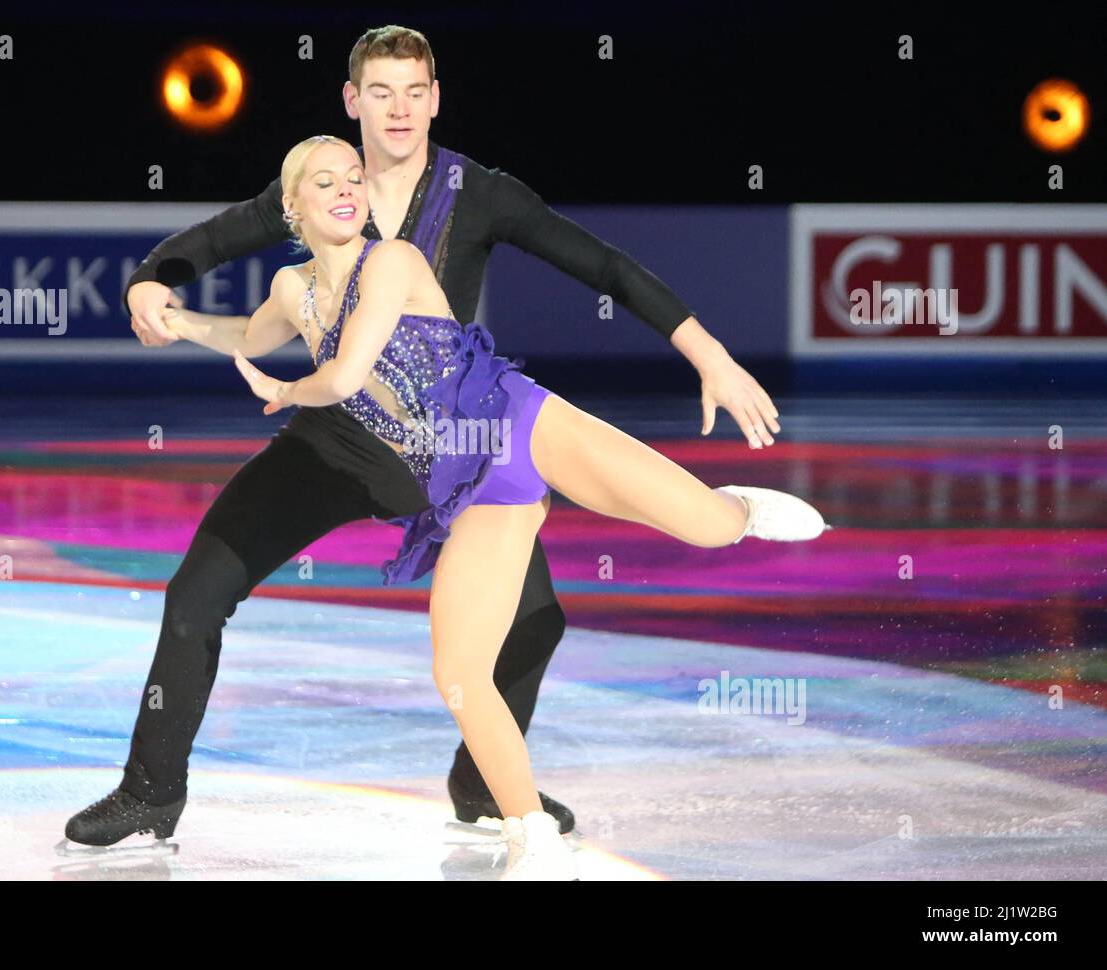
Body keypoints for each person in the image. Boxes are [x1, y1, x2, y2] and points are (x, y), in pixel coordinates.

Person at [64, 25, 783, 853]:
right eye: (381, 92)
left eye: (414, 92)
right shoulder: (319, 181)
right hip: (330, 447)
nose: (399, 110)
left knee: (534, 622)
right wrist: (155, 283)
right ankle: (151, 792)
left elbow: (604, 268)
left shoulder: (480, 193)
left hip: (455, 456)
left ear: (435, 99)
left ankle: (482, 782)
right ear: (351, 101)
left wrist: (711, 356)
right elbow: (213, 243)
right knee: (195, 594)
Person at [164, 135, 825, 879]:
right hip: (467, 485)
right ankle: (529, 835)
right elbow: (249, 335)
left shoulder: (392, 261)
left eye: (354, 176)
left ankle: (737, 508)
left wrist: (286, 390)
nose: (348, 189)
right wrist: (180, 321)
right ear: (293, 207)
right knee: (458, 671)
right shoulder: (294, 292)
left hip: (519, 425)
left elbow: (347, 373)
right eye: (326, 182)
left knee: (706, 528)